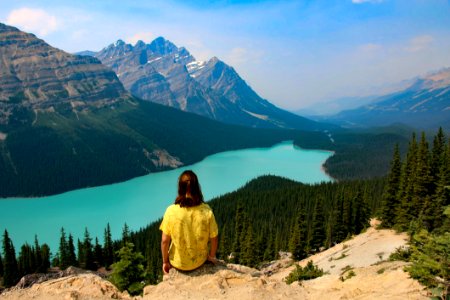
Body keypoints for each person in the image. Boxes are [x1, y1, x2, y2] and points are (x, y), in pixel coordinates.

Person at [160, 170, 219, 274]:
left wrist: (165, 262)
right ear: (197, 188)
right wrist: (212, 256)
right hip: (200, 262)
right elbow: (214, 237)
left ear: (180, 188)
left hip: (177, 263)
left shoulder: (171, 211)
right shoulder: (206, 210)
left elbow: (165, 241)